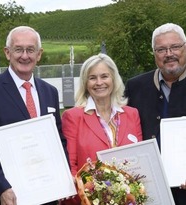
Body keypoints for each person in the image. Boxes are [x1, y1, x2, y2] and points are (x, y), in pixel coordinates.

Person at [124, 23, 186, 205]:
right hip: (149, 192)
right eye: (161, 49)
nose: (169, 53)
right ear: (154, 54)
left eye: (175, 47)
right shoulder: (135, 87)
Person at [0, 26, 66, 205]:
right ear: (7, 53)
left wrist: (63, 179)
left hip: (47, 192)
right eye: (18, 49)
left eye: (30, 50)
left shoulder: (50, 92)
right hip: (10, 195)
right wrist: (2, 187)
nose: (25, 56)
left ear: (39, 54)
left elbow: (58, 139)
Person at [61, 54, 143, 203]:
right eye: (92, 78)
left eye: (104, 76)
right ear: (86, 83)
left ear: (114, 79)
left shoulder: (132, 114)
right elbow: (70, 167)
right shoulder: (72, 117)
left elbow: (140, 161)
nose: (99, 83)